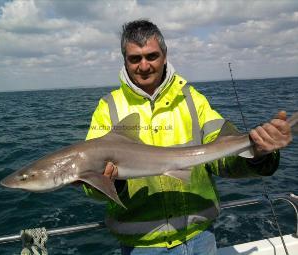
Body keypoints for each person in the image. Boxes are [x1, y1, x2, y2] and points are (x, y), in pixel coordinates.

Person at [84, 19, 292, 255]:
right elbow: (92, 188)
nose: (144, 66)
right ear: (125, 60)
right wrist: (114, 182)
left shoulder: (193, 100)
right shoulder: (108, 108)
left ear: (164, 55)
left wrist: (258, 153)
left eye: (151, 56)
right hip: (142, 245)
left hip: (200, 238)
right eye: (135, 58)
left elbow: (223, 160)